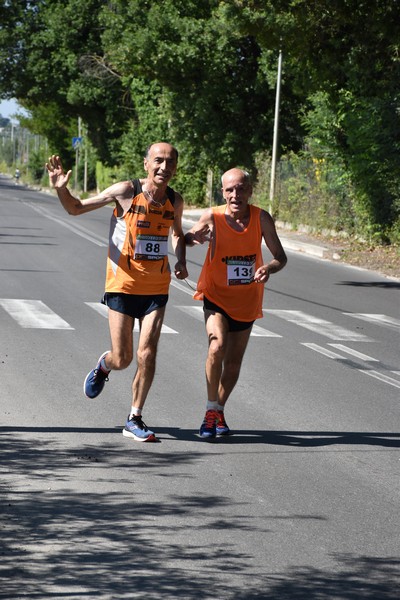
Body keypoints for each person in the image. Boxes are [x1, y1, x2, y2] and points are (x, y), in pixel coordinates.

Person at [45, 142, 188, 442]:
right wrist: (61, 189)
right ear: (146, 163)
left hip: (157, 288)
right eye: (158, 161)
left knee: (147, 352)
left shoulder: (176, 200)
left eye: (170, 162)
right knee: (123, 358)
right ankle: (104, 365)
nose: (164, 167)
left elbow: (176, 234)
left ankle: (134, 417)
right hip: (122, 285)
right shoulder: (126, 191)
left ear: (176, 167)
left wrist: (182, 260)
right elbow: (76, 208)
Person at [185, 168, 287, 440]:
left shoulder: (261, 218)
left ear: (250, 191)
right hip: (216, 295)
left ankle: (219, 409)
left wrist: (269, 267)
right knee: (216, 346)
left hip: (246, 300)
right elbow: (188, 237)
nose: (235, 195)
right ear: (223, 193)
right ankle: (209, 411)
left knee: (232, 363)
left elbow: (281, 257)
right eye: (229, 190)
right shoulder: (212, 216)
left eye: (240, 189)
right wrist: (192, 239)